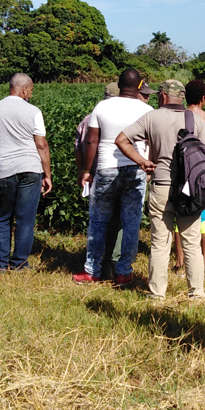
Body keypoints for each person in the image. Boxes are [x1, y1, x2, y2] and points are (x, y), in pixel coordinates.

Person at [116, 79, 205, 300]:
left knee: (160, 243)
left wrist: (142, 161)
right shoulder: (195, 120)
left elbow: (121, 139)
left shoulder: (152, 117)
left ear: (163, 96)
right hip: (189, 189)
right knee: (191, 241)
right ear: (182, 97)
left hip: (161, 186)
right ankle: (196, 293)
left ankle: (157, 294)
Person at [75, 69, 153, 286]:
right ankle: (124, 272)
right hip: (136, 169)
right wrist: (148, 167)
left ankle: (92, 271)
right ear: (139, 86)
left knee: (98, 221)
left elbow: (92, 142)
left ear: (119, 85)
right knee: (131, 222)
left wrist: (87, 171)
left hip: (106, 168)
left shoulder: (102, 107)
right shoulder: (147, 110)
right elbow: (151, 143)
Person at [0, 73, 52, 272]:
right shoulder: (34, 111)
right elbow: (41, 145)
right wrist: (47, 174)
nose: (30, 93)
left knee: (2, 217)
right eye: (30, 90)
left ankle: (0, 263)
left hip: (4, 169)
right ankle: (20, 262)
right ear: (23, 89)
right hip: (30, 169)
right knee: (25, 219)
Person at [74, 82, 125, 278]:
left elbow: (80, 148)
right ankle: (112, 263)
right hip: (119, 173)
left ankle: (94, 264)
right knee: (119, 221)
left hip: (96, 176)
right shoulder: (123, 118)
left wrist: (83, 171)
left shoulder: (89, 119)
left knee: (98, 220)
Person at [176, 79, 205, 269]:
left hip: (181, 171)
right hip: (203, 173)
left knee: (180, 215)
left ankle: (179, 260)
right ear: (204, 98)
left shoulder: (179, 117)